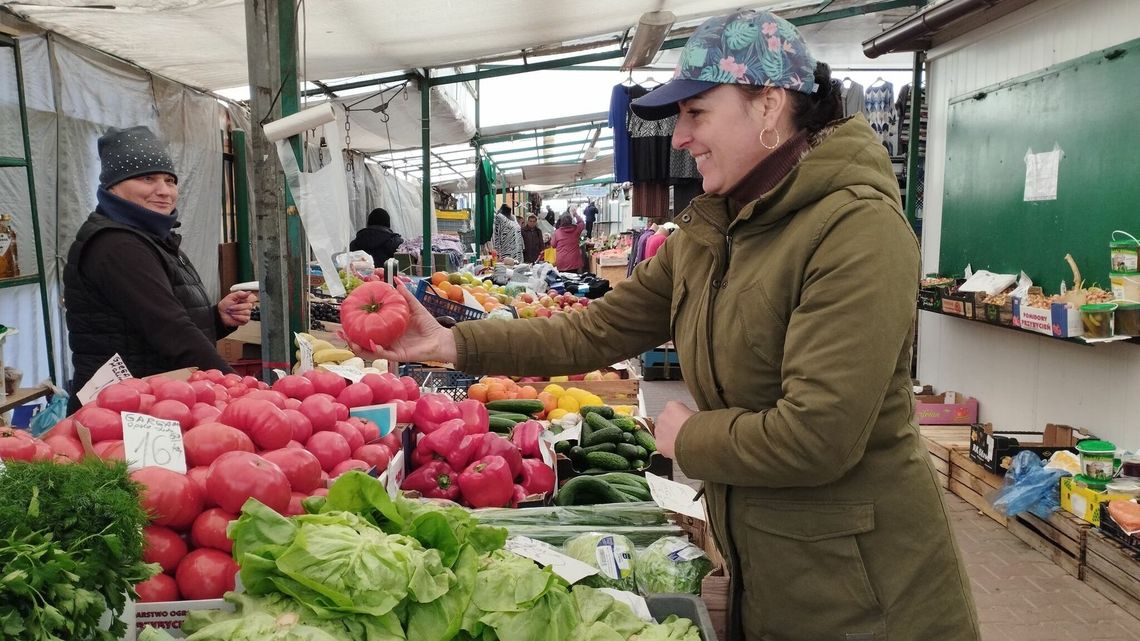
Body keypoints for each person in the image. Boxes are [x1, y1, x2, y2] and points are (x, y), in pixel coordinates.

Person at [375, 9, 978, 641]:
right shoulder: (715, 228)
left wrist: (690, 439)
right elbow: (594, 331)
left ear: (769, 104)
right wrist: (451, 339)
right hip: (770, 571)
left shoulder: (856, 230)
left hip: (867, 594)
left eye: (697, 113)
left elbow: (819, 433)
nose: (680, 138)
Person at [63, 126, 256, 412]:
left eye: (170, 180)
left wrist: (217, 317)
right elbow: (171, 330)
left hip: (149, 399)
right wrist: (240, 391)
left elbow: (152, 322)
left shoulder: (152, 238)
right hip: (120, 410)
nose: (164, 191)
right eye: (147, 178)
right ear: (113, 186)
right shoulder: (117, 245)